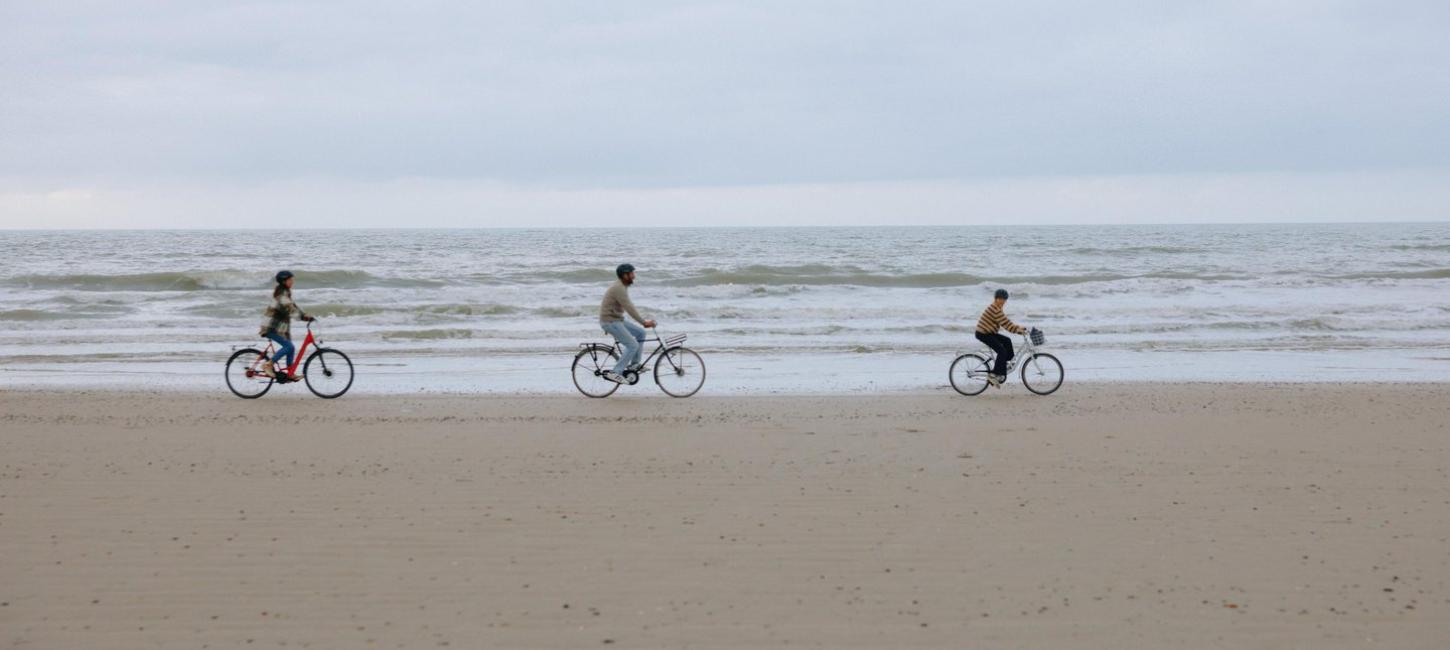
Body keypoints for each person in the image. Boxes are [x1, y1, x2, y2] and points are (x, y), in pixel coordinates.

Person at [599, 263, 656, 383]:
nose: (634, 276)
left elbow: (628, 307)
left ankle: (634, 366)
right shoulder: (618, 288)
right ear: (625, 275)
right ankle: (615, 372)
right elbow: (629, 308)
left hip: (617, 319)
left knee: (641, 333)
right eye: (632, 274)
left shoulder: (621, 286)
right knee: (633, 345)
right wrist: (644, 322)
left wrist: (642, 324)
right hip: (610, 321)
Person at [259, 270, 314, 381]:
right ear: (284, 281)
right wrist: (303, 317)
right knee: (289, 347)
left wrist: (304, 315)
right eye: (290, 279)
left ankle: (290, 373)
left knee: (291, 348)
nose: (292, 281)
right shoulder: (281, 295)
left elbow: (294, 307)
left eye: (292, 279)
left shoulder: (285, 293)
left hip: (278, 328)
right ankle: (268, 364)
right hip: (271, 327)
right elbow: (291, 310)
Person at [975, 288, 1027, 388]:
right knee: (1002, 351)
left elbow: (1006, 321)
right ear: (997, 299)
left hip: (989, 332)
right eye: (1002, 299)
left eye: (1005, 299)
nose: (1004, 301)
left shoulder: (997, 308)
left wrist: (1018, 328)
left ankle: (1003, 364)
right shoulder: (995, 309)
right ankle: (993, 374)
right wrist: (1017, 330)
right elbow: (1006, 324)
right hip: (983, 334)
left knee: (1007, 341)